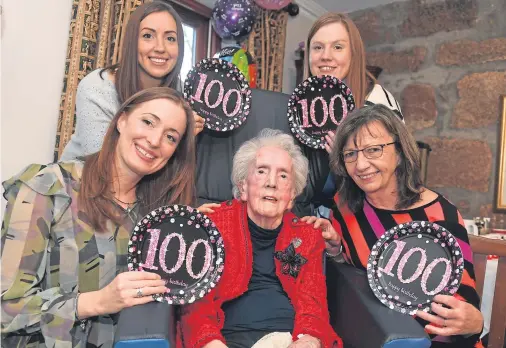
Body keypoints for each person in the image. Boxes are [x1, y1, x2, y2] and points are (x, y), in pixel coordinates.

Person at [1, 87, 198, 347]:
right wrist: (99, 301)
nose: (154, 140)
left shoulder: (155, 219)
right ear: (122, 120)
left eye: (170, 137)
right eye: (148, 122)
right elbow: (7, 309)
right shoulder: (48, 188)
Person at [304, 104, 483, 347]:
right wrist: (335, 250)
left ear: (399, 152)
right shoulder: (344, 210)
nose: (361, 165)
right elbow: (354, 277)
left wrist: (475, 322)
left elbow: (465, 307)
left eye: (374, 150)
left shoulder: (442, 214)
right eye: (350, 154)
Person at [180, 129, 341, 348]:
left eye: (283, 175)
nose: (271, 182)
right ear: (243, 186)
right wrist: (211, 343)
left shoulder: (306, 235)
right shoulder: (212, 225)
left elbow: (313, 302)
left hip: (290, 339)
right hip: (227, 339)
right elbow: (196, 304)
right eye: (262, 171)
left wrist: (308, 340)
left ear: (292, 195)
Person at [61, 1, 204, 161]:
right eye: (148, 36)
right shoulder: (97, 88)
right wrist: (181, 140)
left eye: (170, 38)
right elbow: (105, 165)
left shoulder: (180, 93)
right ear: (132, 42)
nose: (160, 47)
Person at [303, 12, 403, 153]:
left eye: (337, 47)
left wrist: (346, 156)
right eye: (318, 47)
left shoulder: (377, 103)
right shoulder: (303, 110)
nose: (325, 56)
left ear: (353, 53)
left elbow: (390, 168)